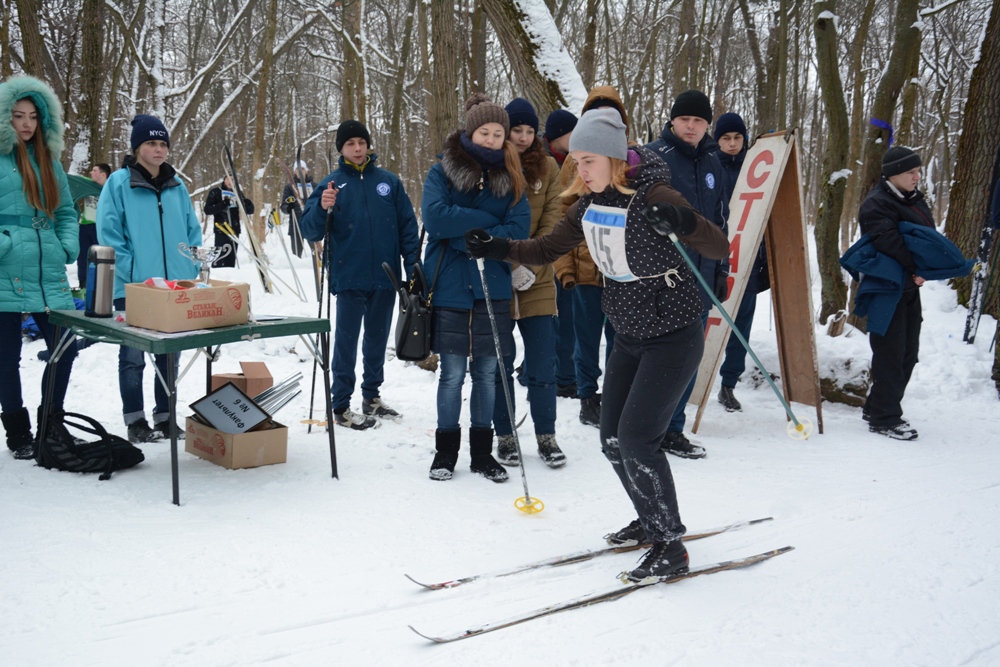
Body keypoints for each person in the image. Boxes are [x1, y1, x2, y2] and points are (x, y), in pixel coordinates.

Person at [465, 108, 729, 581]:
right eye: (576, 161)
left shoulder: (655, 193)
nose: (580, 170)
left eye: (588, 161)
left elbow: (717, 245)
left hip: (673, 334)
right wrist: (498, 247)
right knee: (611, 440)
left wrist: (681, 221)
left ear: (613, 158)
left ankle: (670, 545)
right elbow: (546, 248)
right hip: (629, 333)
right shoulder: (588, 205)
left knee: (638, 440)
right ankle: (649, 516)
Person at [422, 93, 530, 482]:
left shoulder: (512, 177)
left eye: (498, 133)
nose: (491, 139)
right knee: (451, 374)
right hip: (450, 286)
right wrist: (485, 225)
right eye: (485, 132)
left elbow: (518, 229)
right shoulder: (442, 172)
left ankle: (482, 454)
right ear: (470, 132)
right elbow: (436, 219)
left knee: (486, 373)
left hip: (492, 287)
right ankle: (445, 452)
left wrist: (468, 230)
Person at [299, 120, 420, 430]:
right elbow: (309, 230)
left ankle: (372, 397)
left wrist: (412, 268)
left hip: (386, 276)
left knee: (377, 340)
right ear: (341, 148)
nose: (357, 148)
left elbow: (408, 227)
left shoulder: (388, 182)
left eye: (361, 142)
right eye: (350, 143)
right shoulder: (332, 184)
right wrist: (321, 207)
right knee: (346, 342)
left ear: (368, 145)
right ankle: (340, 404)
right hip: (349, 275)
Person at [96, 114, 202, 444]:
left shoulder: (177, 185)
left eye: (162, 144)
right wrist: (130, 274)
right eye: (151, 143)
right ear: (137, 147)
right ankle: (135, 420)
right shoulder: (118, 183)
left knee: (169, 355)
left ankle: (165, 417)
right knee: (132, 356)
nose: (158, 149)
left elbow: (192, 229)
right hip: (135, 286)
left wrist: (191, 268)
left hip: (175, 287)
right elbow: (109, 232)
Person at [644, 89, 729, 459]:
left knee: (690, 356)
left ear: (707, 124)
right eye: (684, 119)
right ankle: (644, 426)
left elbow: (720, 219)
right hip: (662, 276)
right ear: (672, 120)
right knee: (658, 355)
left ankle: (672, 428)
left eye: (698, 120)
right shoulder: (652, 156)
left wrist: (721, 269)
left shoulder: (713, 162)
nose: (691, 126)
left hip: (702, 273)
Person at [0, 75, 79, 459]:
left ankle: (51, 421)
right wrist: (6, 243)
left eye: (33, 116)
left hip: (48, 269)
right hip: (6, 269)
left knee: (65, 347)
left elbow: (65, 212)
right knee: (5, 358)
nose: (26, 123)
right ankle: (18, 434)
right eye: (18, 116)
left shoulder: (50, 162)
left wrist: (66, 246)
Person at [492, 97, 565, 468]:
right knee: (500, 364)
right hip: (497, 278)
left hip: (539, 278)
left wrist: (531, 263)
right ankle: (505, 436)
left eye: (529, 130)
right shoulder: (491, 165)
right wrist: (509, 263)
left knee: (542, 363)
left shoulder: (548, 166)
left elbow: (553, 218)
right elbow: (488, 223)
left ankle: (546, 436)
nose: (522, 137)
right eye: (516, 130)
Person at [555, 87, 625, 428]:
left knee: (620, 340)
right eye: (596, 111)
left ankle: (615, 396)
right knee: (585, 339)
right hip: (585, 269)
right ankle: (587, 396)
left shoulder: (628, 158)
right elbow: (559, 218)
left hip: (621, 271)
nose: (604, 116)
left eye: (611, 111)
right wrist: (565, 269)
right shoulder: (576, 162)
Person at [856, 146, 936, 440]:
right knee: (890, 352)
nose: (917, 177)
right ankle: (884, 418)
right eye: (910, 172)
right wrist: (917, 266)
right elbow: (889, 243)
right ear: (893, 174)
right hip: (885, 287)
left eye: (918, 171)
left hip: (909, 285)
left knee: (908, 352)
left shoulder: (912, 198)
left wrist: (926, 266)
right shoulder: (876, 204)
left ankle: (877, 406)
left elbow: (927, 233)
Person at [713, 112, 769, 413]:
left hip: (748, 260)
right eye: (726, 138)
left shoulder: (757, 168)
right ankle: (692, 381)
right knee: (706, 323)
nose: (732, 143)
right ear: (717, 140)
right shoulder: (709, 167)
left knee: (741, 326)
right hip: (714, 259)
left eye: (737, 138)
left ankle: (728, 384)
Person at [543, 109, 579, 399]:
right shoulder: (542, 161)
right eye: (572, 133)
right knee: (558, 318)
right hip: (545, 247)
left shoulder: (575, 160)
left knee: (563, 317)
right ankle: (562, 377)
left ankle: (560, 372)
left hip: (566, 245)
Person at [203, 175, 254, 268]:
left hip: (234, 229)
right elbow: (207, 210)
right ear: (224, 180)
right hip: (221, 228)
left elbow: (249, 211)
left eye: (233, 179)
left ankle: (230, 273)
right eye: (228, 179)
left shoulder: (238, 193)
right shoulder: (215, 192)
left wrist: (247, 203)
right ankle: (218, 273)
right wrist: (222, 205)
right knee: (220, 257)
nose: (230, 181)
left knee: (231, 259)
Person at [77, 162, 111, 288]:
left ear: (103, 174)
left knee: (100, 257)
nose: (91, 173)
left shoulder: (110, 188)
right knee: (83, 256)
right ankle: (83, 285)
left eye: (95, 170)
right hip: (85, 226)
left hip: (101, 227)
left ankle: (102, 285)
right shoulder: (86, 184)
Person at [281, 161, 312, 258]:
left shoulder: (314, 185)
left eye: (302, 169)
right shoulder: (290, 187)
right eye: (297, 169)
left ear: (306, 170)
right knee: (296, 254)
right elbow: (283, 206)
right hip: (296, 224)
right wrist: (288, 208)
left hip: (311, 223)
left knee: (316, 252)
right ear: (294, 171)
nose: (300, 171)